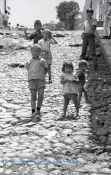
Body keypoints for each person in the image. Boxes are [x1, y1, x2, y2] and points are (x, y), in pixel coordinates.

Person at [26, 44, 48, 117]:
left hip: (41, 80)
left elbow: (46, 69)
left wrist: (43, 75)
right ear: (31, 52)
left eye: (37, 51)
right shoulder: (29, 61)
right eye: (34, 51)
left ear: (40, 52)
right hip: (32, 80)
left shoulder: (42, 61)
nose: (35, 53)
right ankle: (33, 110)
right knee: (33, 96)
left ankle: (38, 109)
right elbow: (28, 69)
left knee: (41, 95)